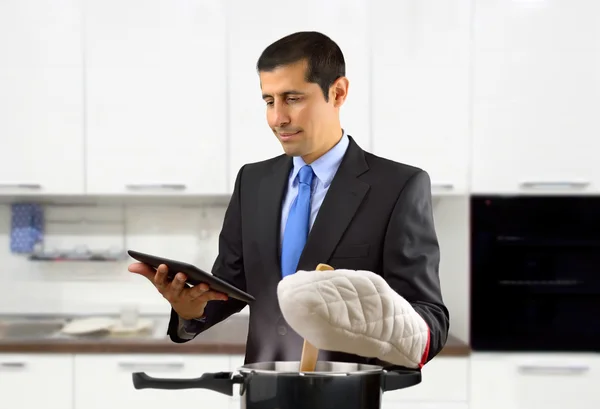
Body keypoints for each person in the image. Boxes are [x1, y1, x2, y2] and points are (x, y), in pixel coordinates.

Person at [128, 31, 449, 368]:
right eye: (269, 101)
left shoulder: (398, 186)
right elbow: (230, 289)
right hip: (261, 395)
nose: (277, 118)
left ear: (338, 92)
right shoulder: (252, 181)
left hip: (348, 399)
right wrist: (189, 309)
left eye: (293, 98)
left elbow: (430, 319)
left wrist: (374, 321)